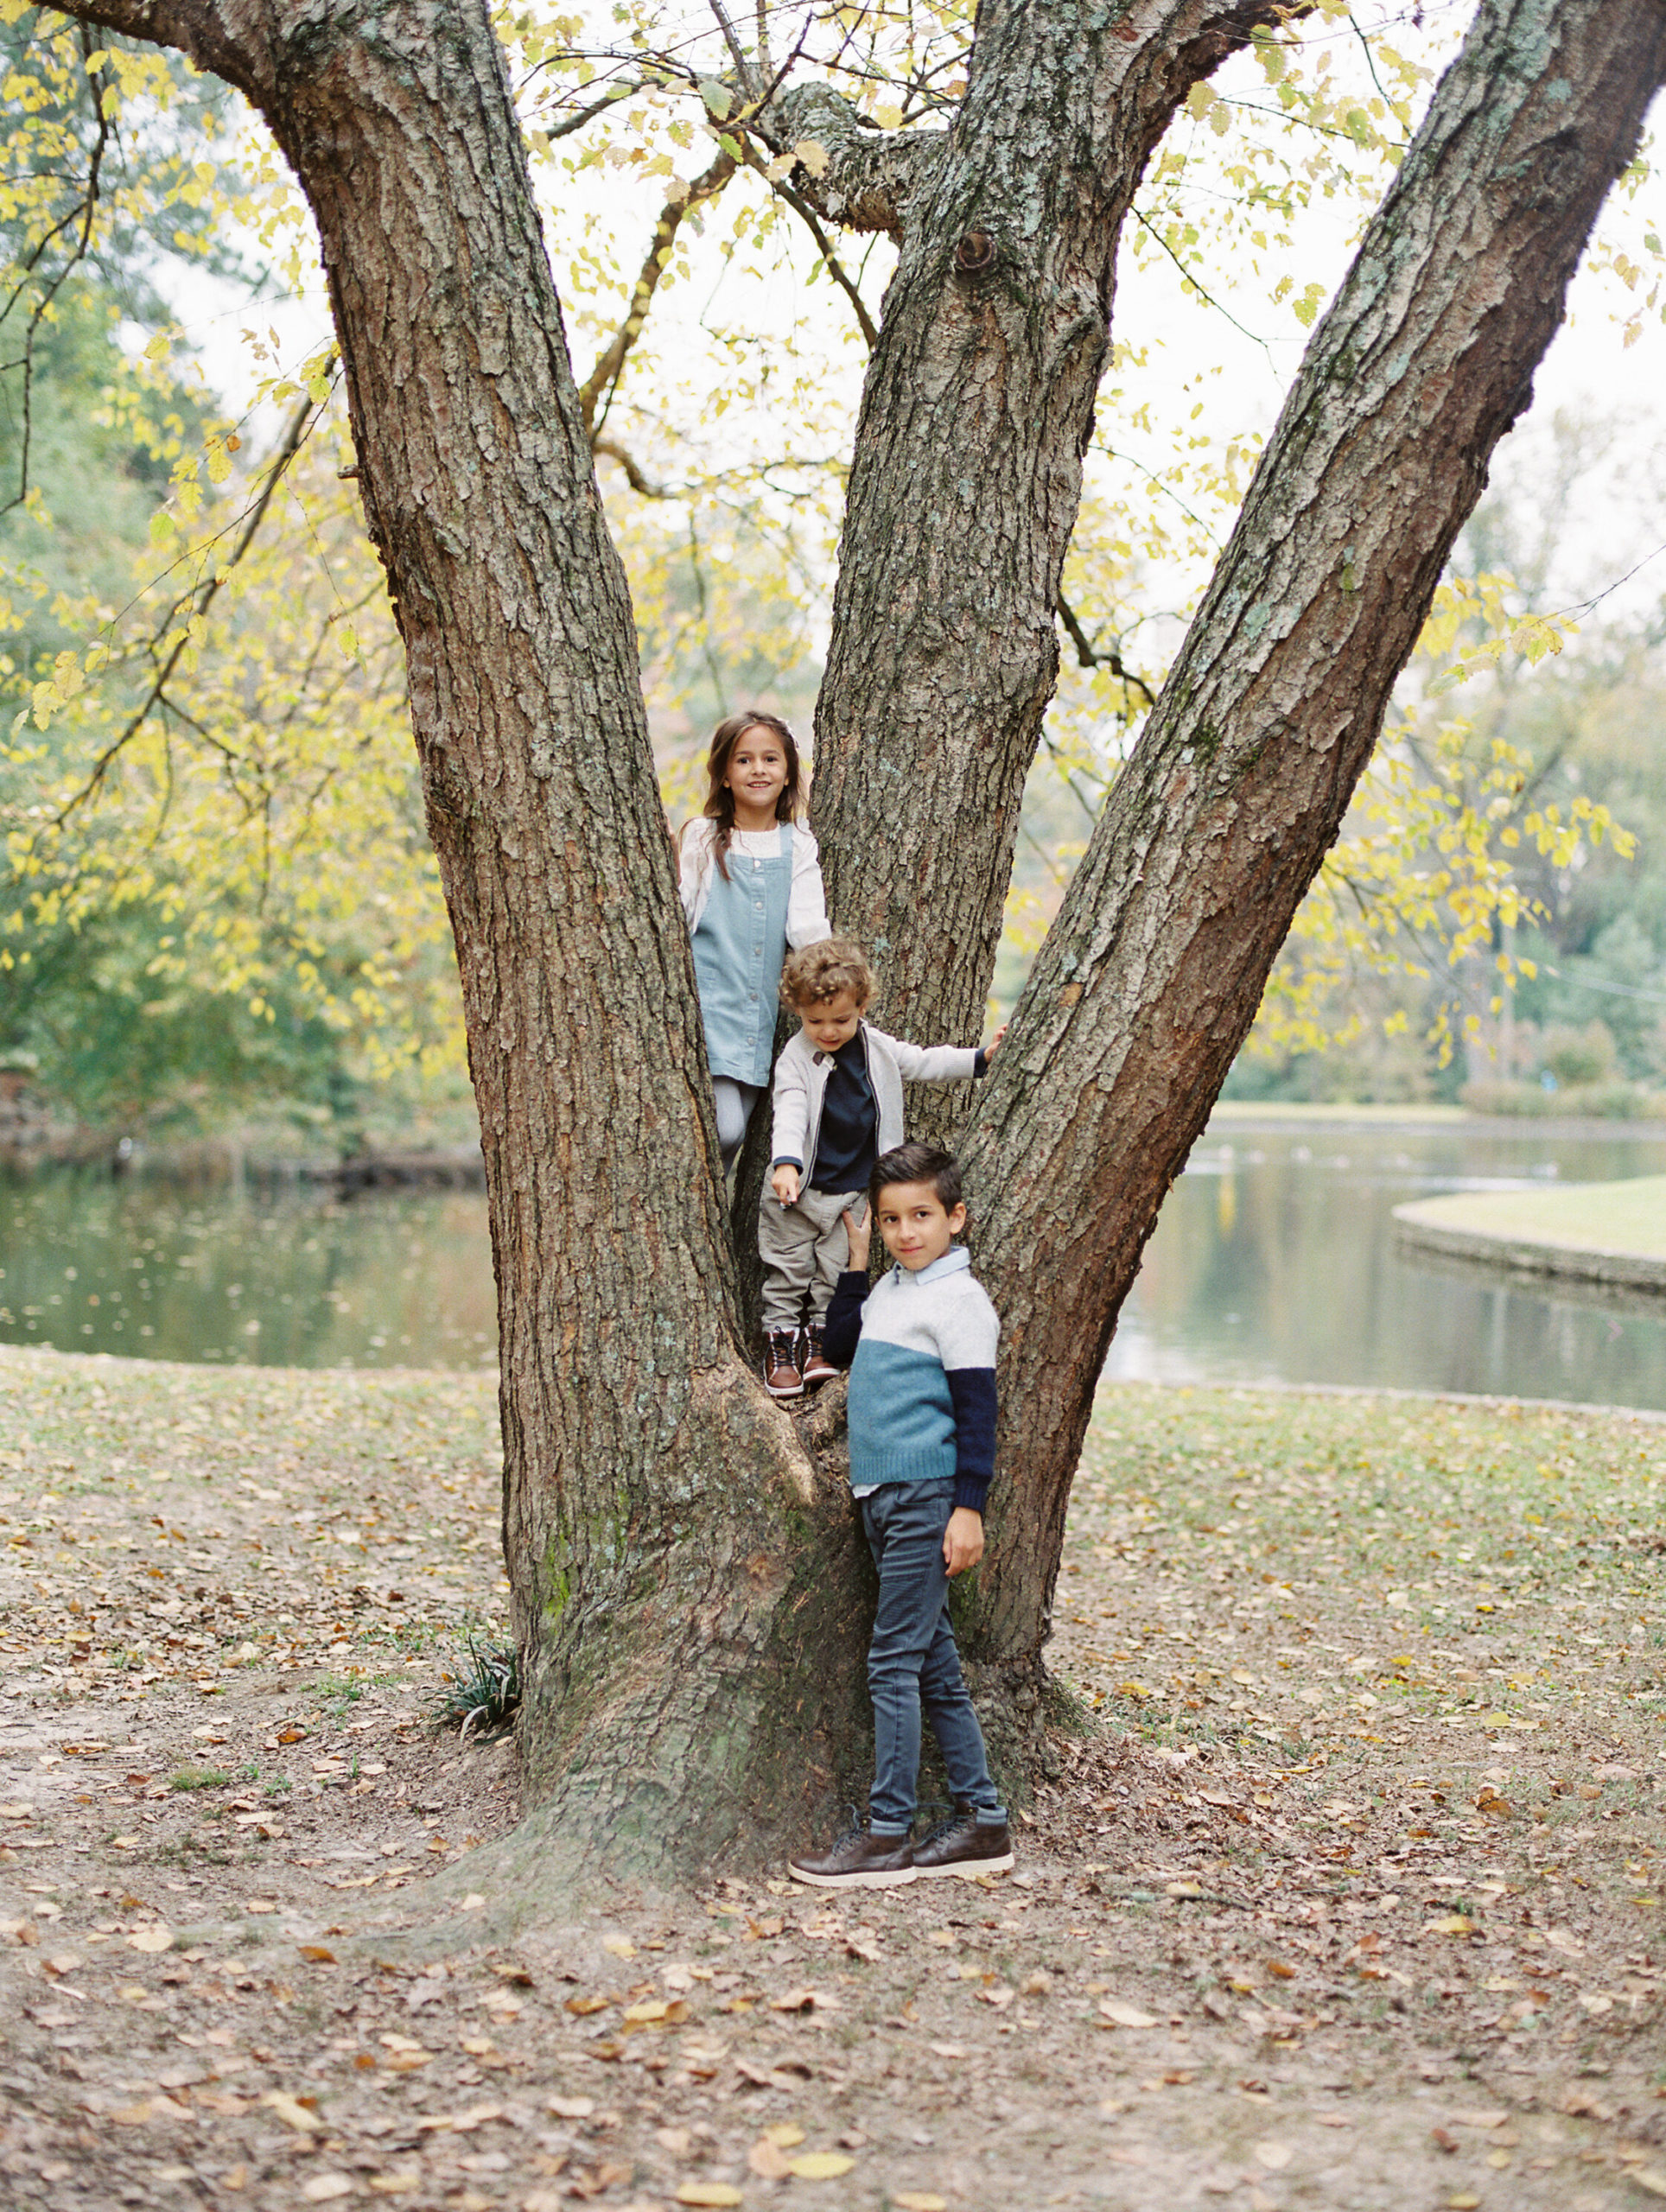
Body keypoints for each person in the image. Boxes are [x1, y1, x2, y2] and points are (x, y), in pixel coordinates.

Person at [788, 1143, 1014, 1888]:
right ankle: (982, 1820)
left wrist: (968, 1511)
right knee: (933, 1665)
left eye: (922, 1216)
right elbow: (842, 1344)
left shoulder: (961, 1302)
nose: (906, 1232)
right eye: (891, 1220)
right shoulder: (891, 1287)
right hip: (881, 1497)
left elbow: (978, 1418)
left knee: (892, 1661)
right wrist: (855, 1264)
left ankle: (887, 1834)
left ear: (956, 1217)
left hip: (925, 1494)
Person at [760, 940, 1004, 1399]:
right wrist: (786, 1164)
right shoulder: (796, 1058)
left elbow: (924, 1061)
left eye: (841, 1020)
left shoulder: (876, 1048)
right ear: (798, 1013)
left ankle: (817, 1344)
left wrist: (979, 1060)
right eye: (815, 1021)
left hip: (853, 1192)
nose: (829, 1031)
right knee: (788, 1269)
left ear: (861, 1007)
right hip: (799, 1188)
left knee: (832, 1273)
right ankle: (779, 1343)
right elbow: (789, 1111)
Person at [677, 713, 830, 1172]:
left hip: (757, 1018)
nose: (758, 769)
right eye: (744, 760)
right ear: (725, 774)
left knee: (736, 1131)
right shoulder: (704, 837)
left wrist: (834, 984)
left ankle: (710, 1222)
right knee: (724, 1129)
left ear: (787, 774)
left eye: (770, 759)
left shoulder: (797, 842)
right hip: (708, 1008)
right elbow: (681, 915)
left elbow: (807, 930)